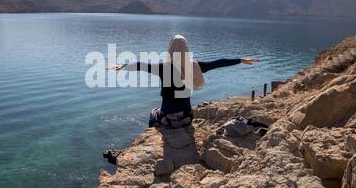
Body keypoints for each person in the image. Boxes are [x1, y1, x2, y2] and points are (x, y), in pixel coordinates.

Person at [106, 35, 259, 128]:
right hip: (187, 118)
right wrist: (240, 60)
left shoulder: (163, 68)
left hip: (169, 120)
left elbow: (141, 66)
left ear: (170, 49)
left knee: (153, 113)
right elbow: (218, 62)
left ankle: (156, 134)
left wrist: (123, 66)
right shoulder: (195, 65)